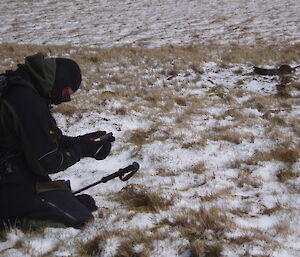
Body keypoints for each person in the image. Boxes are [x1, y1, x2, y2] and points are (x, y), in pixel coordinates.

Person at [0, 53, 115, 229]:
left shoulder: (20, 87)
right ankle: (10, 223)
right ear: (59, 82)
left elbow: (42, 142)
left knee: (71, 201)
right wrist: (81, 150)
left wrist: (83, 142)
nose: (65, 100)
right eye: (67, 92)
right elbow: (48, 162)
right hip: (7, 185)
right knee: (80, 218)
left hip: (11, 178)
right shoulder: (27, 101)